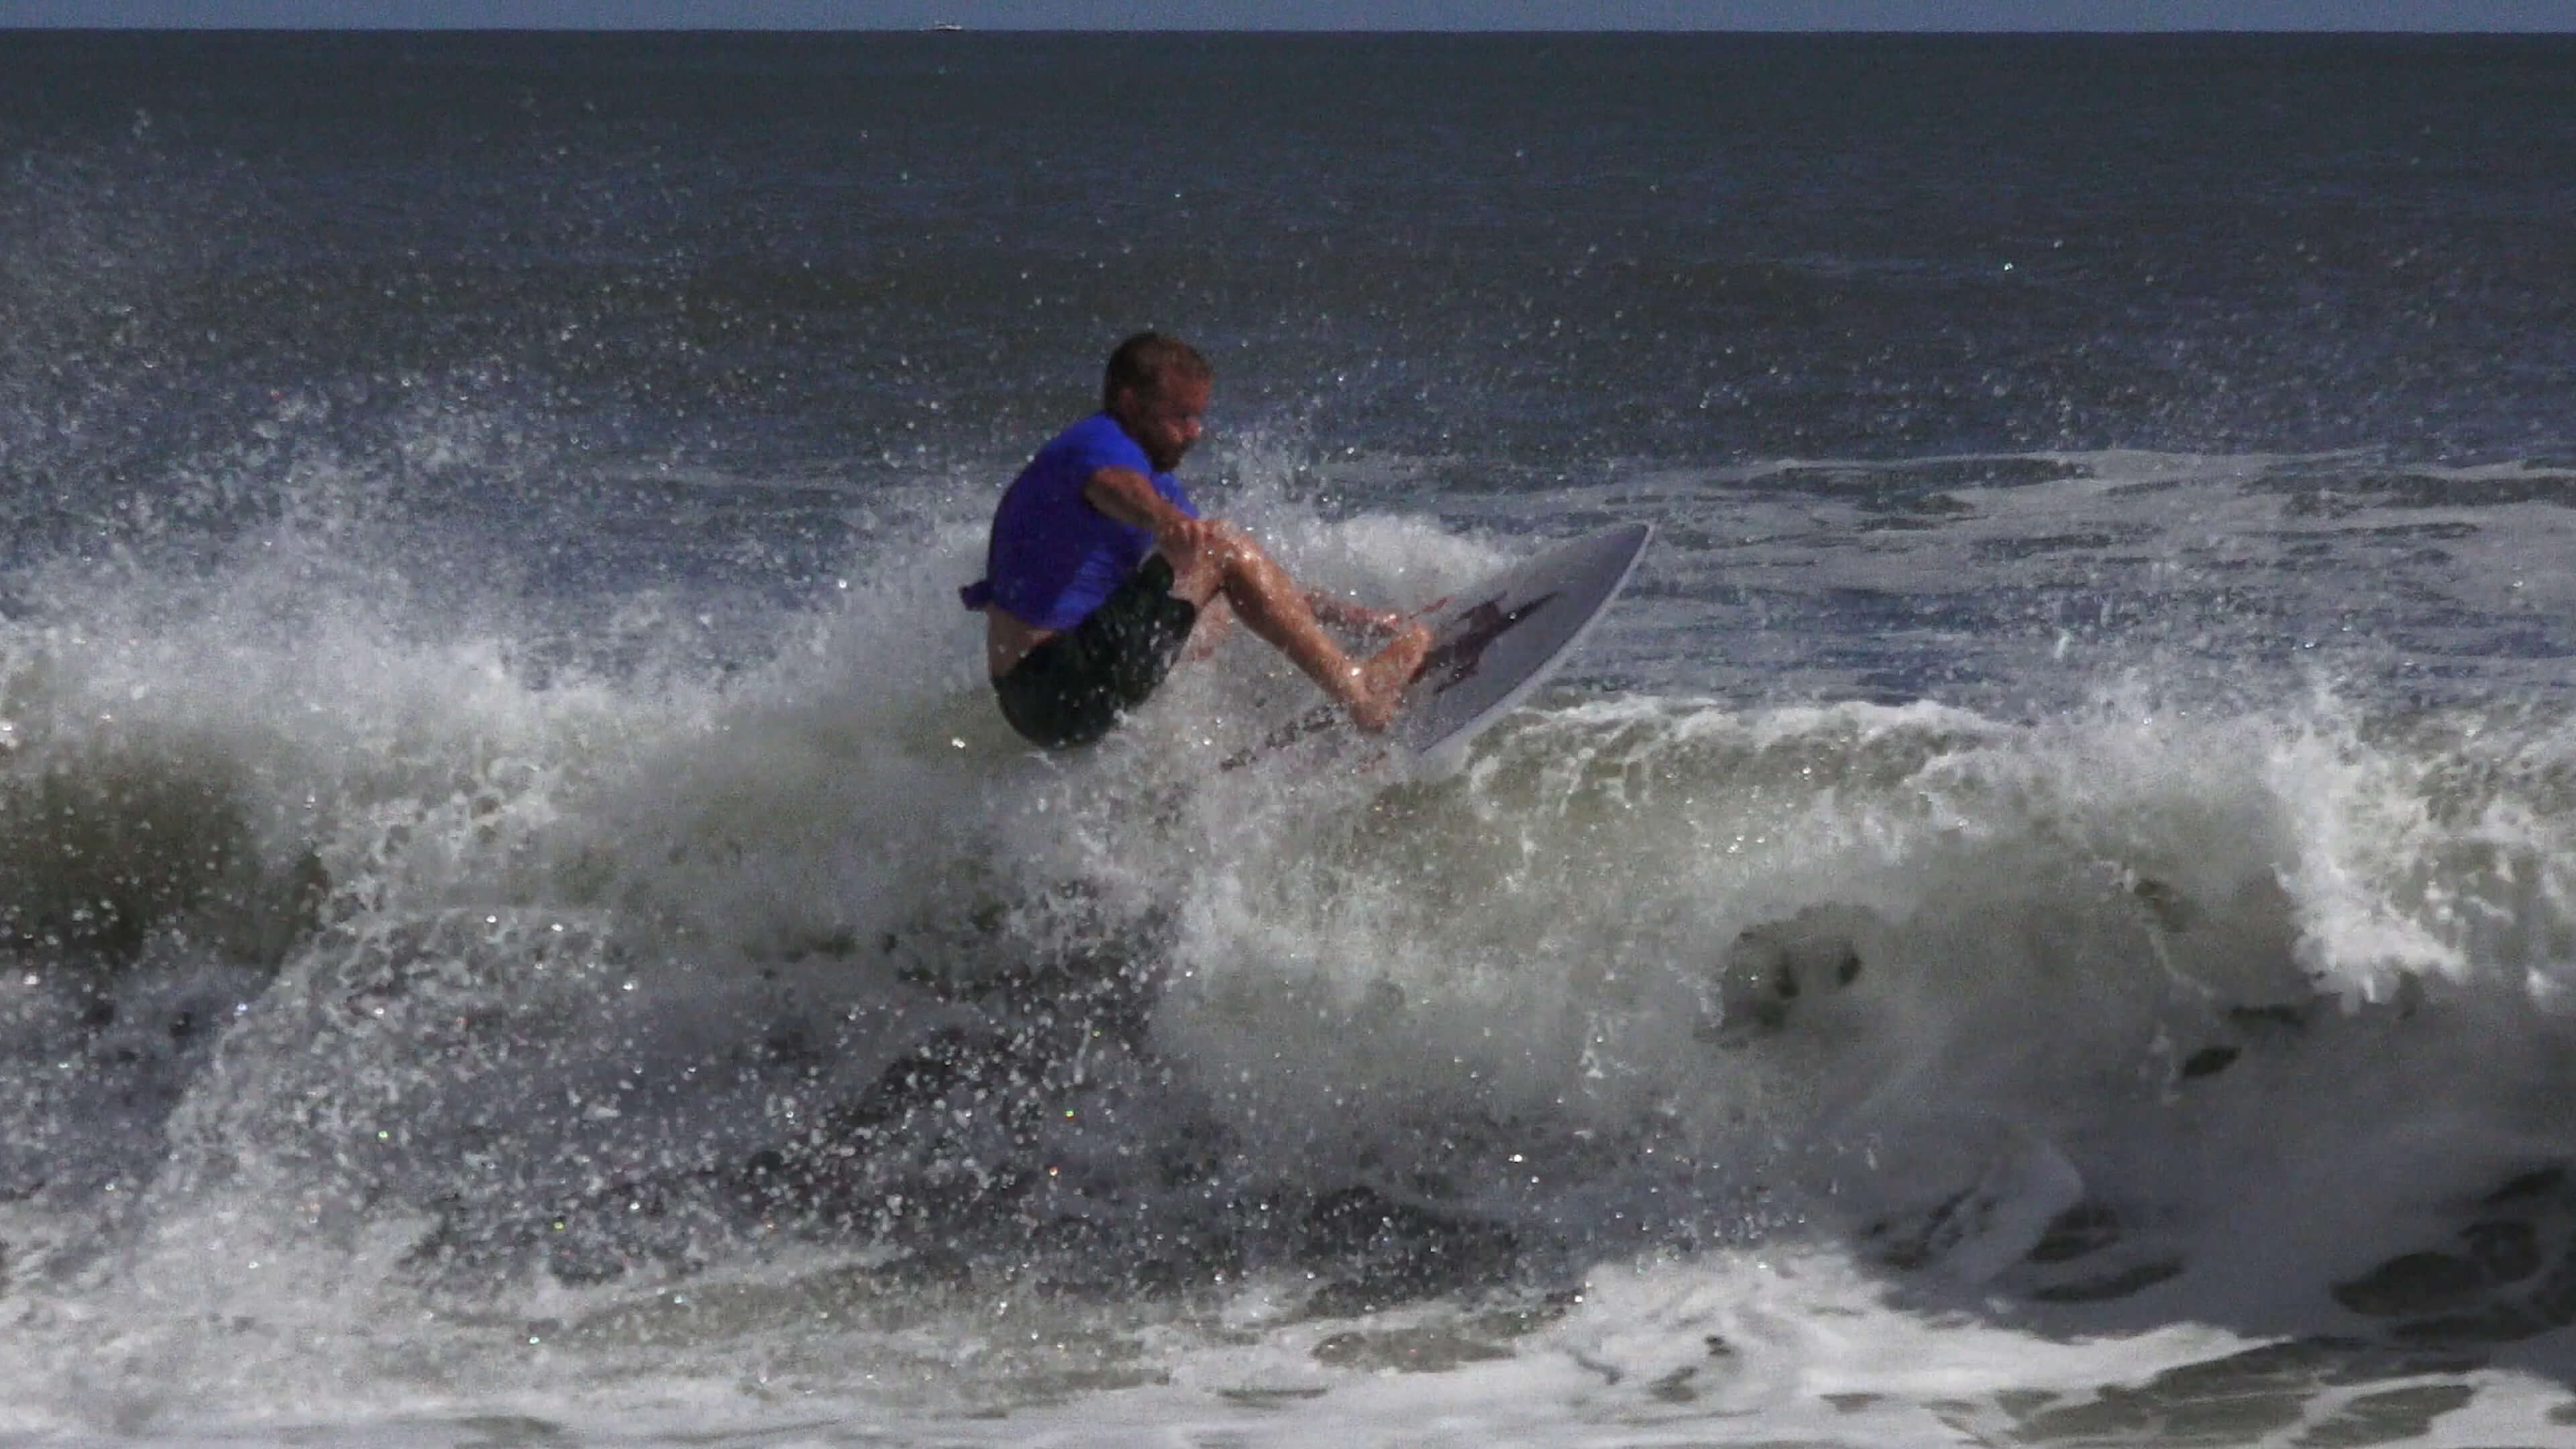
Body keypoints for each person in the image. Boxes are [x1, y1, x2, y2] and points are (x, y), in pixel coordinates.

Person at [961, 333, 1431, 750]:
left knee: (1221, 592)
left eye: (1198, 417)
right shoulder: (1094, 444)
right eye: (1180, 417)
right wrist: (1164, 520)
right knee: (1219, 546)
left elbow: (1252, 585)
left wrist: (1362, 619)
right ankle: (1360, 693)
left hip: (1049, 704)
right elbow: (1113, 489)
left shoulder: (1157, 481)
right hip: (1051, 681)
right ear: (1129, 403)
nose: (1195, 432)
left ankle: (1192, 755)